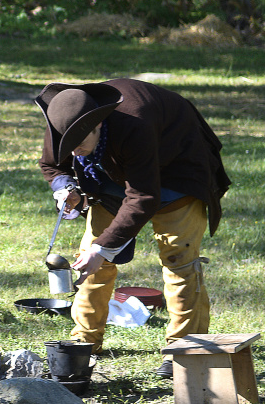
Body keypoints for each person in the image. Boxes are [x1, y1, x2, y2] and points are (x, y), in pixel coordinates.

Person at [35, 78, 230, 379]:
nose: (72, 153)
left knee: (180, 261)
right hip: (113, 177)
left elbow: (143, 197)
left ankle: (183, 349)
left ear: (97, 124)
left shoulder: (135, 123)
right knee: (90, 263)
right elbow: (51, 165)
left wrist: (104, 247)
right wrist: (65, 187)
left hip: (176, 171)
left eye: (78, 145)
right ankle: (83, 342)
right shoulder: (64, 121)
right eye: (67, 146)